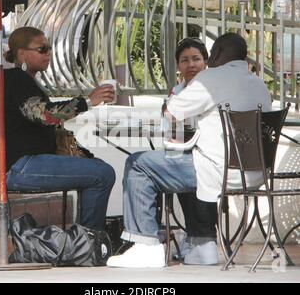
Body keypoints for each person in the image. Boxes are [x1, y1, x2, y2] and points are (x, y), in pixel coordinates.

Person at [106, 32, 272, 268]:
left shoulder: (212, 78)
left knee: (139, 163)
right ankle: (203, 246)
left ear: (217, 54)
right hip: (256, 174)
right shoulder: (258, 82)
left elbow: (172, 112)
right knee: (188, 159)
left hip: (220, 172)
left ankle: (146, 246)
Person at [0, 26, 116, 230]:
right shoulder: (16, 80)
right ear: (21, 53)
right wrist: (88, 101)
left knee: (95, 167)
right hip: (20, 166)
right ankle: (89, 240)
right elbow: (46, 115)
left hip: (14, 165)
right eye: (42, 49)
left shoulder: (6, 79)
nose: (48, 53)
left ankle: (83, 239)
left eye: (49, 48)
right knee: (102, 174)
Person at [163, 37, 218, 261]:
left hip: (210, 155)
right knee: (171, 162)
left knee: (183, 164)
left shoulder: (211, 87)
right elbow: (169, 123)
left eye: (196, 59)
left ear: (205, 62)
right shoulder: (176, 91)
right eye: (185, 60)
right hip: (184, 149)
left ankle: (199, 237)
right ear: (178, 66)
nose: (191, 64)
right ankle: (192, 235)